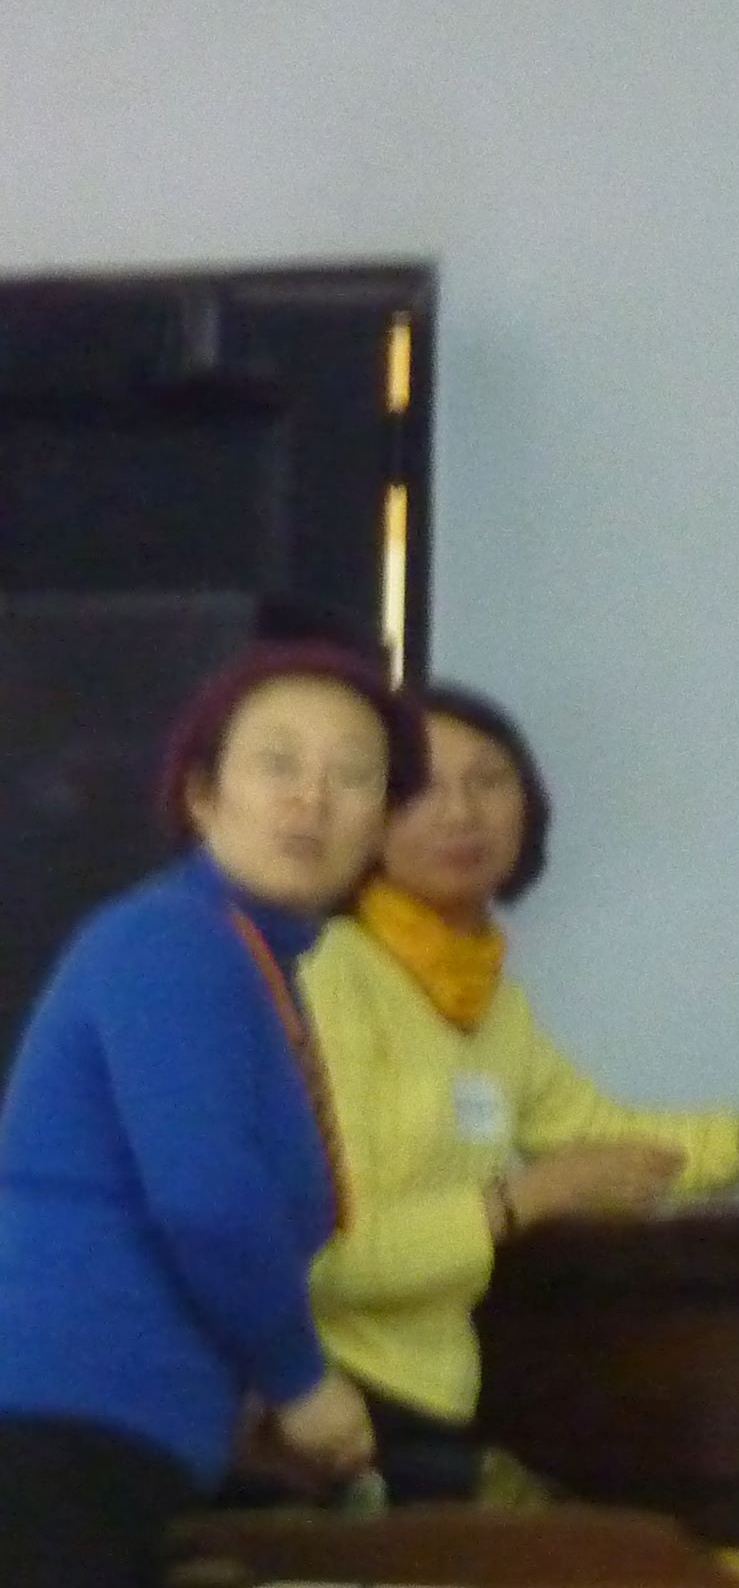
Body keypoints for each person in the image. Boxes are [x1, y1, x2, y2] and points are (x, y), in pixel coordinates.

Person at [298, 683, 739, 1501]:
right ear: (366, 819)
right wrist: (523, 1199)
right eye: (422, 787)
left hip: (431, 1406)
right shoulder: (327, 972)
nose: (462, 812)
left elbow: (611, 1143)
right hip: (324, 1412)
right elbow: (331, 1259)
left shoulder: (490, 1000)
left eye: (490, 780)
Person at [0, 638, 425, 1585]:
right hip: (54, 1417)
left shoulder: (253, 960)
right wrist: (299, 1380)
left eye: (353, 776)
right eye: (277, 763)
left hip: (112, 1427)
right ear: (201, 795)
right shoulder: (173, 941)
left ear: (384, 824)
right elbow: (208, 1201)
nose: (311, 799)